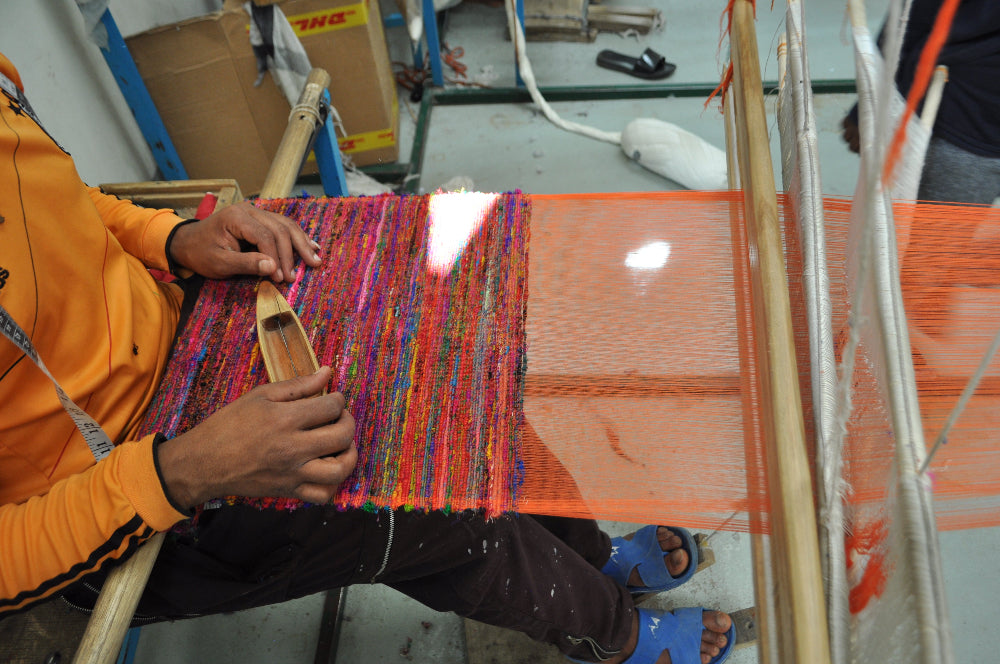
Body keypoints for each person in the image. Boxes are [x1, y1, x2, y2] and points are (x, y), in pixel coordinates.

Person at [0, 50, 734, 664]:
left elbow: (66, 198)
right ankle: (611, 633)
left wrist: (170, 239)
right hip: (124, 488)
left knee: (454, 377)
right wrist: (186, 469)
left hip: (182, 323)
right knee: (429, 503)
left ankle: (589, 555)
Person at [841, 0, 1000, 205]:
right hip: (962, 121)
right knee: (937, 236)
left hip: (965, 121)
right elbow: (912, 17)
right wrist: (871, 104)